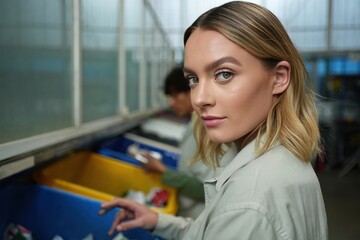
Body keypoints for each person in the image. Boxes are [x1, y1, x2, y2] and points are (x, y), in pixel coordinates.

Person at [99, 1, 328, 239]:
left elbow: (236, 220)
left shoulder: (248, 206)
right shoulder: (286, 161)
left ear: (279, 78)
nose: (199, 99)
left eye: (224, 74)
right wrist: (157, 220)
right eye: (193, 79)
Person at [141, 66, 218, 219]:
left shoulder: (207, 131)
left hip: (198, 217)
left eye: (176, 95)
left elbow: (206, 190)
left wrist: (163, 171)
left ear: (194, 89)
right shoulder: (195, 122)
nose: (170, 103)